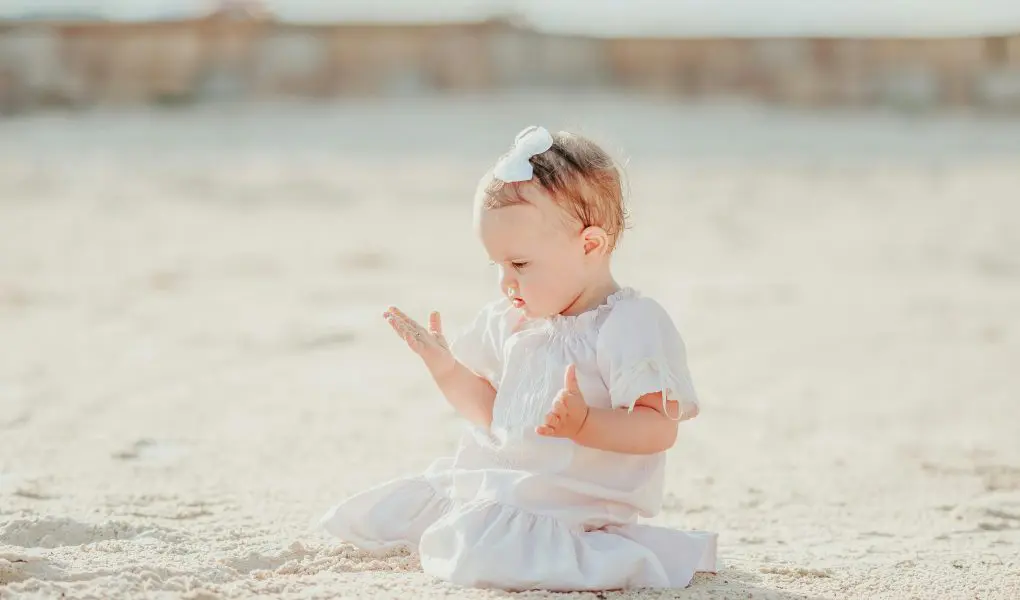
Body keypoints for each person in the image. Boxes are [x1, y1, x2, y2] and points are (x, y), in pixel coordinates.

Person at [320, 125, 717, 591]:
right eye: (499, 266)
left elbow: (658, 428)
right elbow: (495, 415)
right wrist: (446, 368)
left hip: (570, 505)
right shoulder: (514, 320)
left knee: (486, 551)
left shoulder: (627, 324)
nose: (506, 284)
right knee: (394, 513)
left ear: (590, 245)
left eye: (521, 265)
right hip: (505, 487)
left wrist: (586, 424)